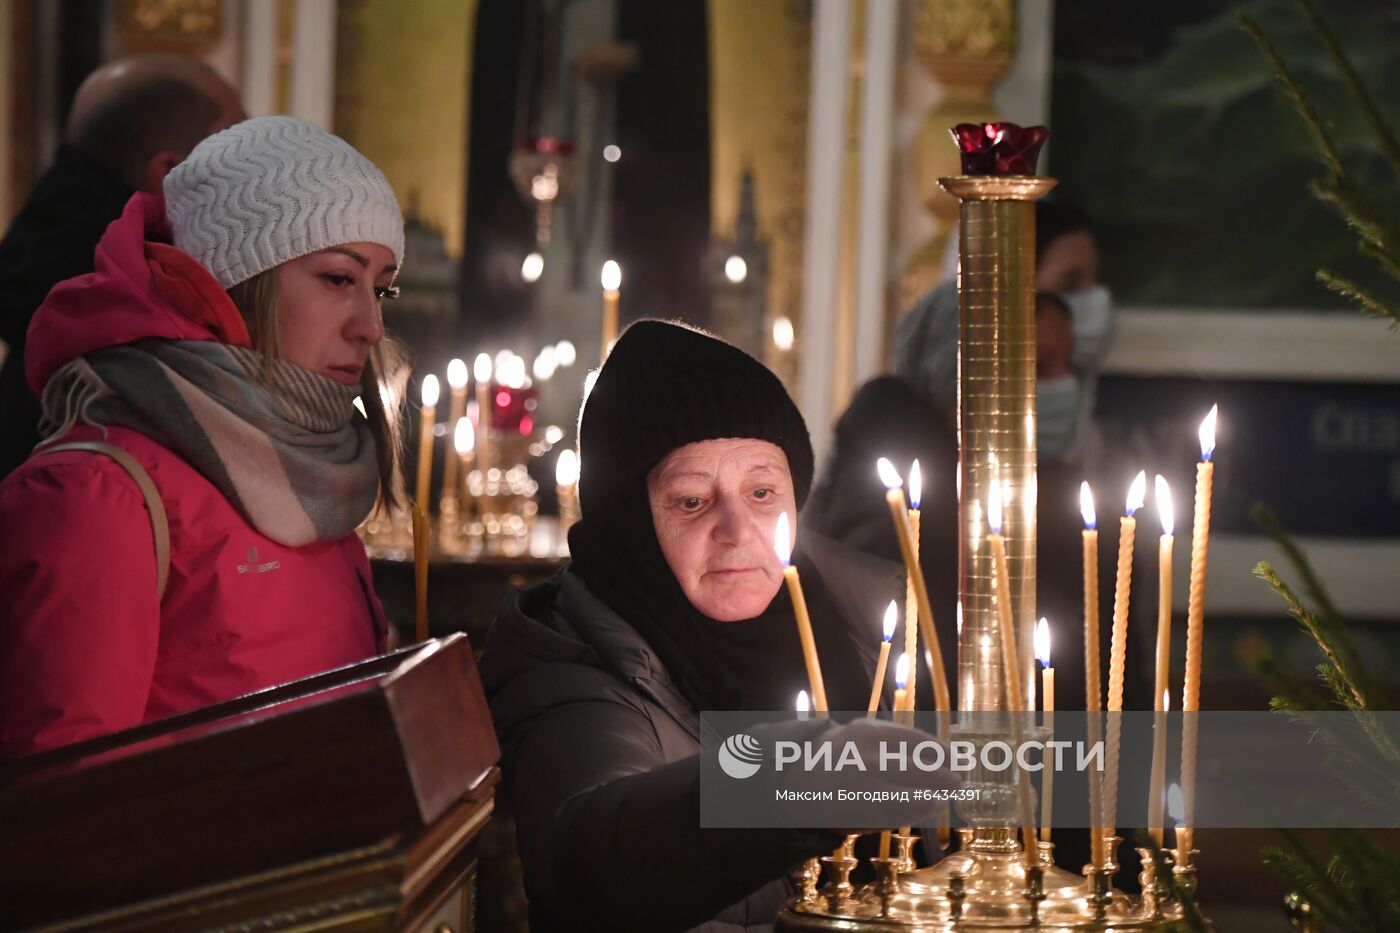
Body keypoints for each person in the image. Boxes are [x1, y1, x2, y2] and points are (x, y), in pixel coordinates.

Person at [480, 320, 951, 932]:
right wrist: (788, 782)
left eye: (761, 491)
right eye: (692, 501)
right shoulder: (575, 667)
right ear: (630, 526)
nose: (737, 529)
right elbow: (588, 859)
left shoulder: (878, 622)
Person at [0, 116, 406, 759]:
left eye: (381, 289)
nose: (371, 327)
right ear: (240, 278)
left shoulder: (311, 470)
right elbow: (67, 819)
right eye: (337, 278)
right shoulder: (95, 498)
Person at [0, 54, 245, 480]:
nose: (251, 177)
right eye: (237, 152)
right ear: (169, 172)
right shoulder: (133, 324)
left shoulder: (46, 275)